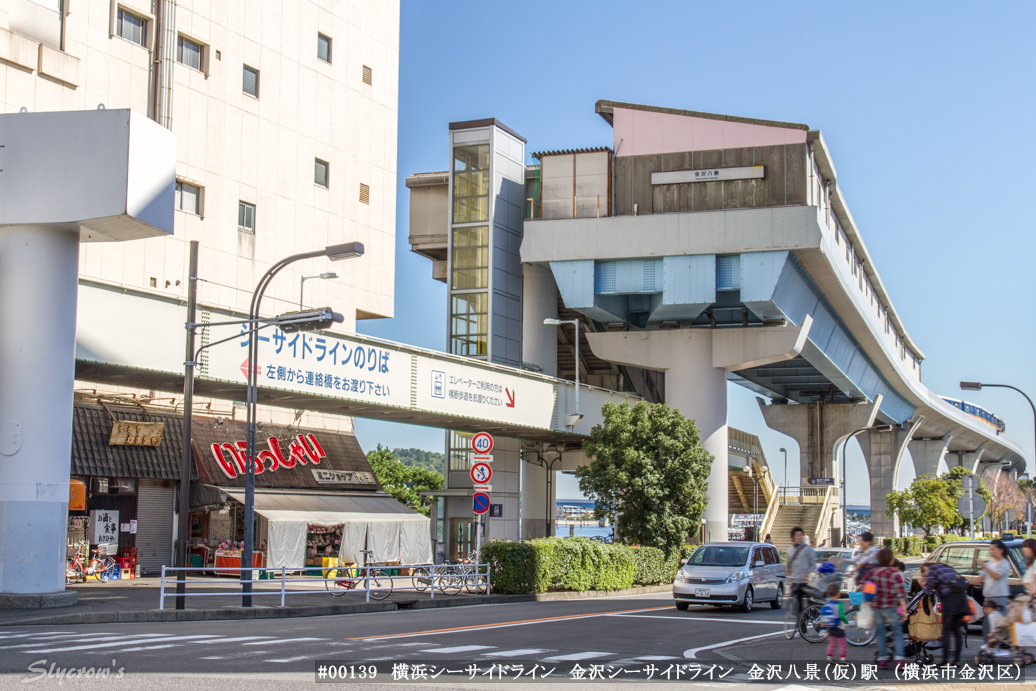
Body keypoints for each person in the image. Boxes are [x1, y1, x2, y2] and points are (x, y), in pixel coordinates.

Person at [922, 558, 969, 665]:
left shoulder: (932, 569)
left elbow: (927, 587)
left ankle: (945, 661)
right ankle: (956, 660)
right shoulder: (948, 568)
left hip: (949, 601)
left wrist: (926, 588)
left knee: (946, 631)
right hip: (961, 599)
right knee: (957, 630)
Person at [870, 547, 908, 668]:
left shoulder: (874, 572)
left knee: (881, 634)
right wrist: (904, 611)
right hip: (891, 608)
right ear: (891, 560)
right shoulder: (895, 574)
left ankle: (882, 659)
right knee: (897, 634)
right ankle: (899, 660)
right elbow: (901, 595)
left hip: (877, 608)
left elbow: (868, 589)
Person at [981, 539, 1012, 639]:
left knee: (999, 624)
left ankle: (1001, 646)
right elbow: (982, 577)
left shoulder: (1004, 563)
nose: (991, 552)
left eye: (994, 549)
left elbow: (996, 576)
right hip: (988, 598)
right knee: (988, 624)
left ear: (1001, 550)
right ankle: (989, 647)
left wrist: (984, 566)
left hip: (999, 598)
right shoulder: (990, 563)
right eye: (990, 549)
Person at [785, 527, 817, 617]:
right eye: (797, 535)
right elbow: (788, 566)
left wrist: (808, 575)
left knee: (811, 601)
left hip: (806, 581)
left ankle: (815, 617)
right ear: (793, 538)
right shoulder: (790, 550)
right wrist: (788, 578)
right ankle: (801, 626)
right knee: (797, 605)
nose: (800, 537)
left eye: (801, 535)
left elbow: (813, 563)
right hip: (795, 580)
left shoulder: (808, 549)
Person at [820, 582, 848, 662]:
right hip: (839, 627)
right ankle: (843, 659)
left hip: (830, 627)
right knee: (842, 643)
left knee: (831, 643)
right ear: (838, 593)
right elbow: (842, 616)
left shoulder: (827, 603)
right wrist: (846, 621)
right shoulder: (839, 604)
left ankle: (829, 658)